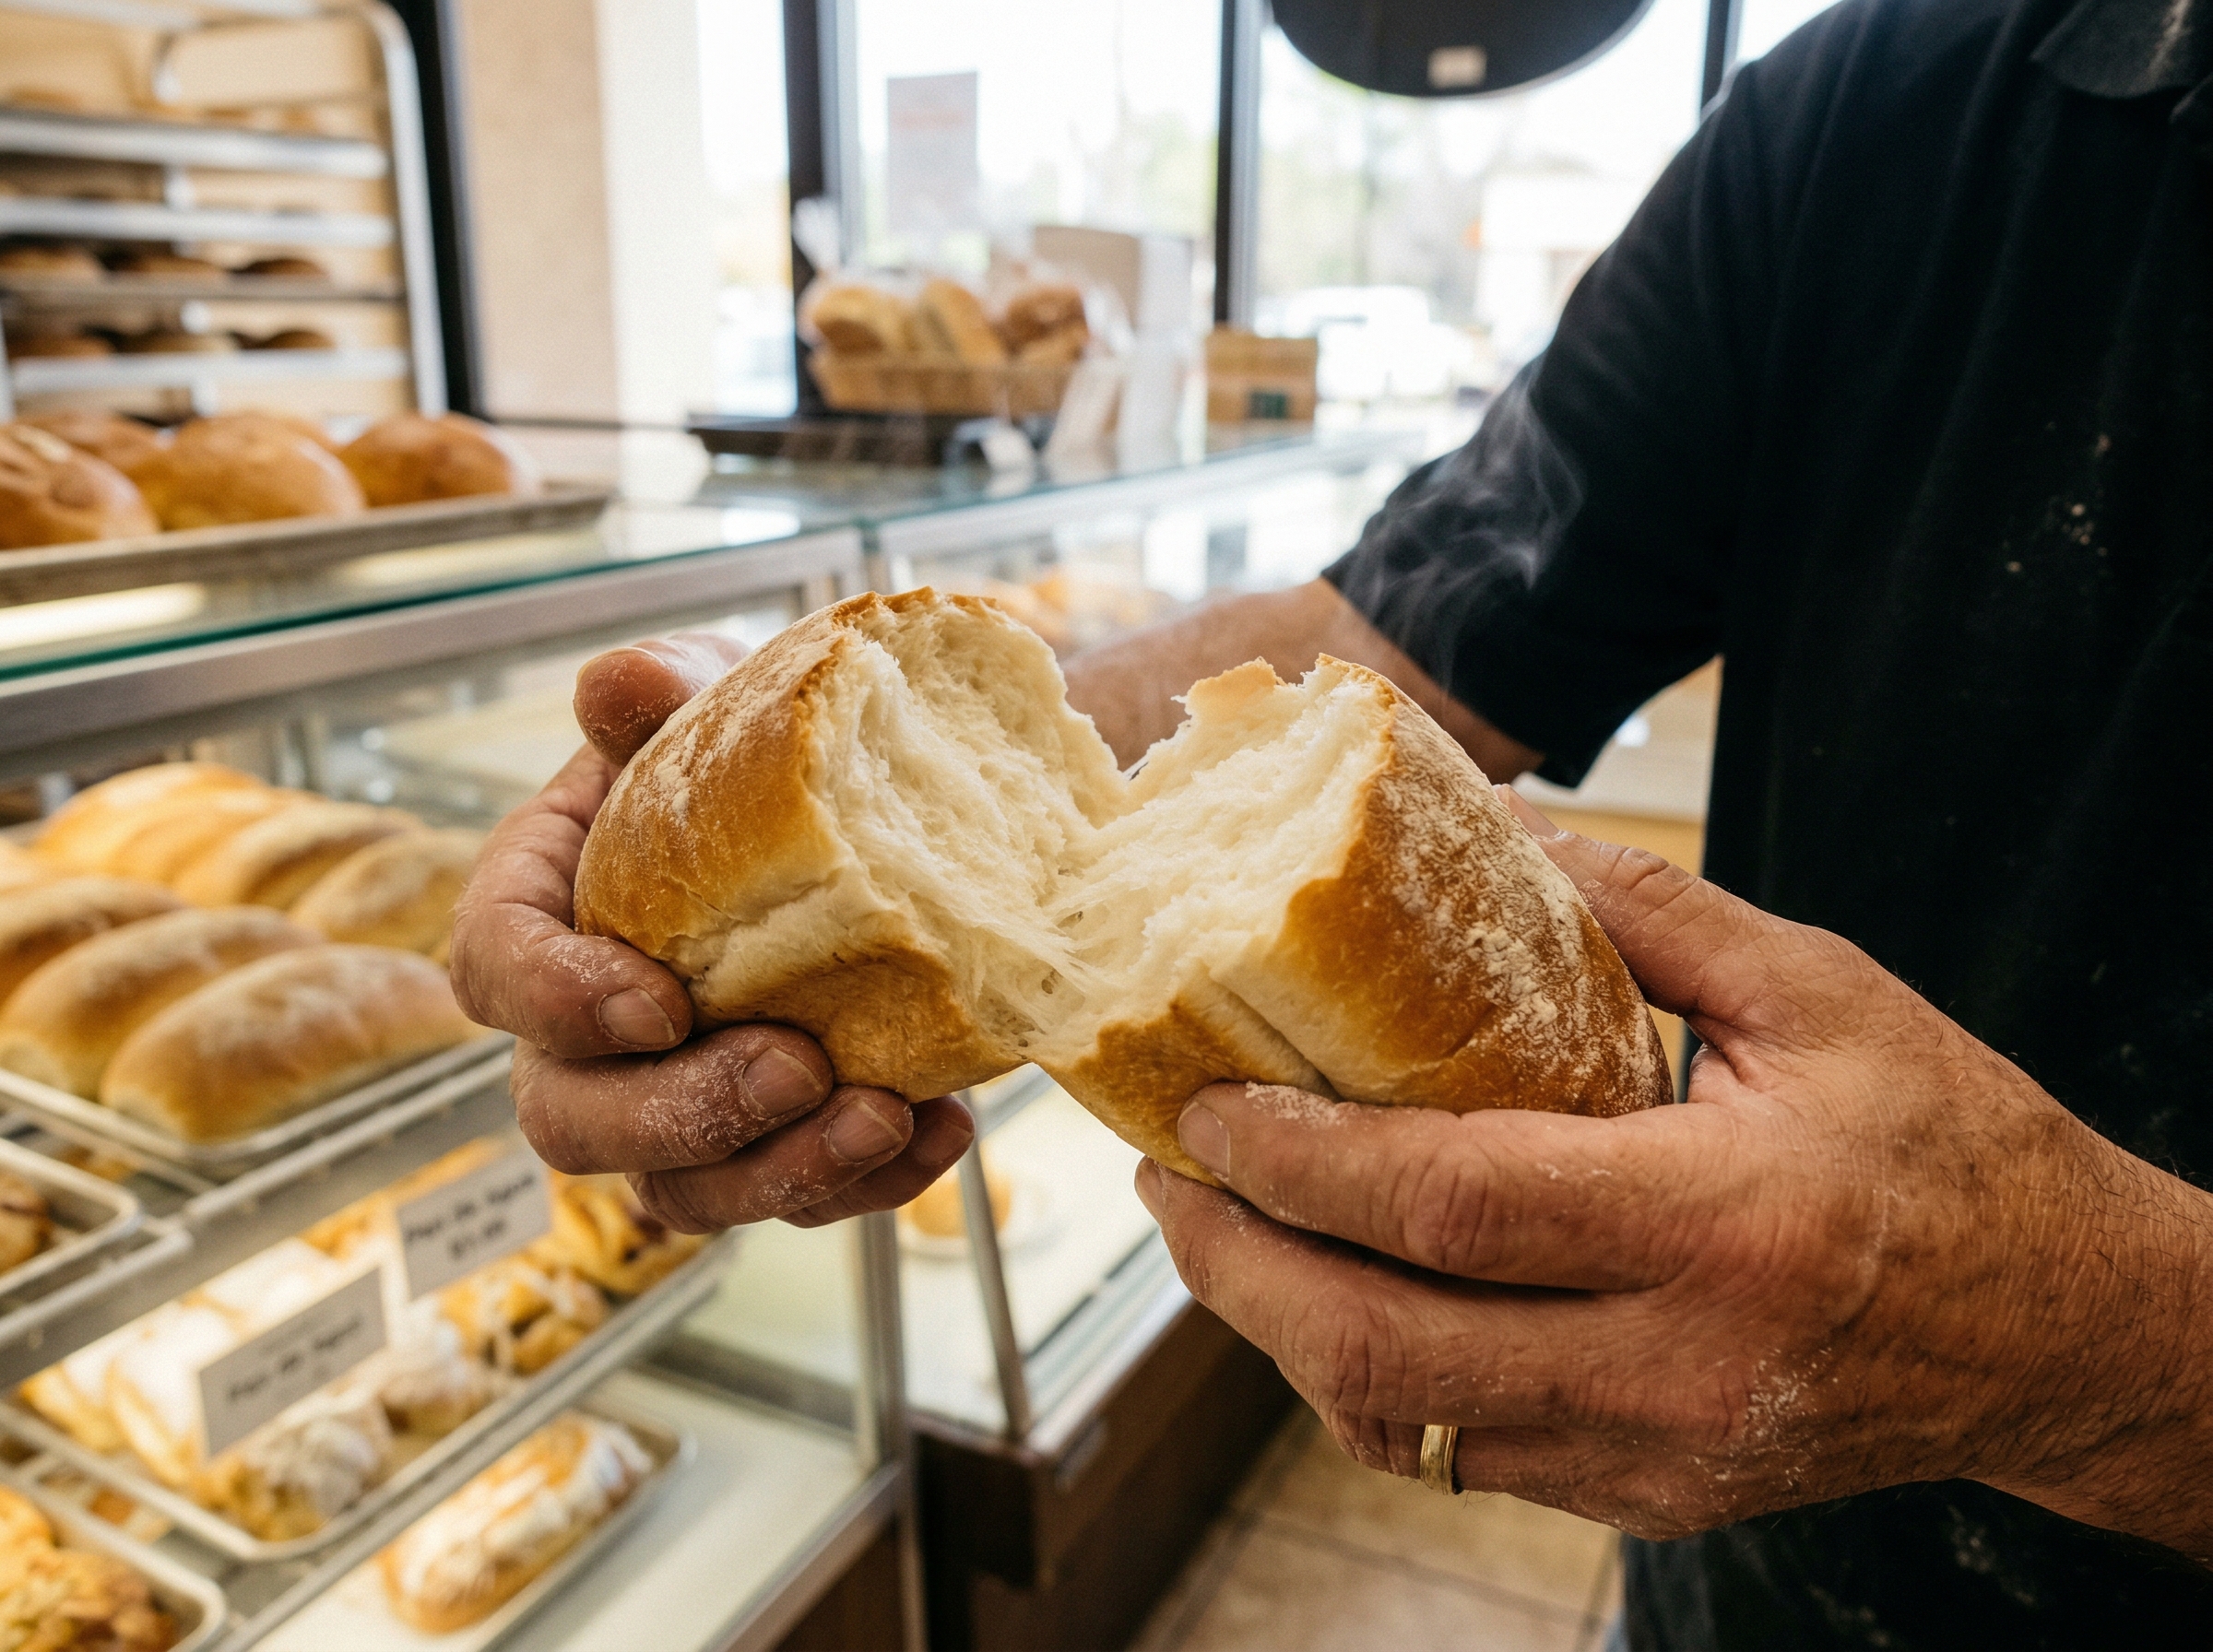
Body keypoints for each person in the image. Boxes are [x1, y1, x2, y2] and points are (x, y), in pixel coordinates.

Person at [450, 0, 2213, 1643]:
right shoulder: (1891, 108)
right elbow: (1427, 618)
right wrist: (772, 782)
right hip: (1744, 1568)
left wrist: (2108, 1344)